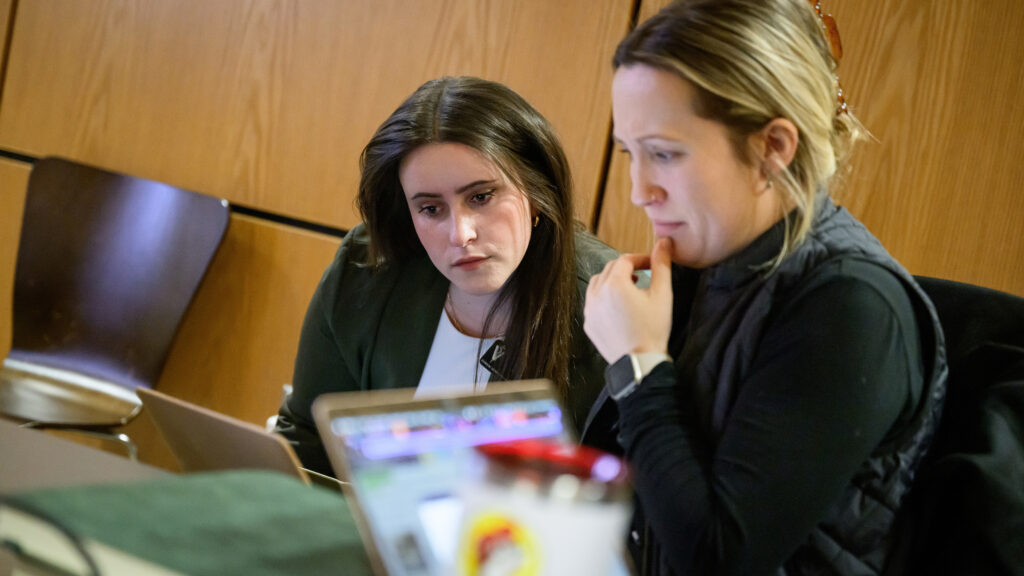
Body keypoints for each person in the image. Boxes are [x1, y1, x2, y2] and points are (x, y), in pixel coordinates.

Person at [582, 1, 947, 574]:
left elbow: (718, 557)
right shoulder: (708, 261)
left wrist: (638, 365)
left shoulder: (851, 305)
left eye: (665, 154)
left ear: (773, 148)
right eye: (631, 154)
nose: (638, 190)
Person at [276, 76, 618, 476]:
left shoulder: (611, 302)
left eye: (481, 197)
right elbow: (308, 440)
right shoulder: (368, 269)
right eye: (431, 209)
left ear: (538, 192)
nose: (461, 234)